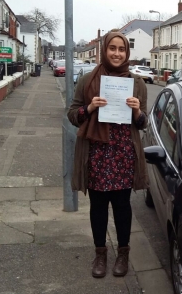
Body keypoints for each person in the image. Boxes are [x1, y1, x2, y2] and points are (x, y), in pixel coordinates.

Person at [67, 30, 149, 278]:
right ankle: (100, 254)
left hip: (124, 154)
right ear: (104, 50)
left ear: (127, 53)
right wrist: (90, 107)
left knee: (123, 206)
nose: (116, 53)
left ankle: (123, 254)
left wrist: (136, 112)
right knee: (98, 206)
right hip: (96, 154)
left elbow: (143, 123)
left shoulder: (137, 83)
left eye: (121, 49)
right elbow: (73, 115)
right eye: (112, 48)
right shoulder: (88, 80)